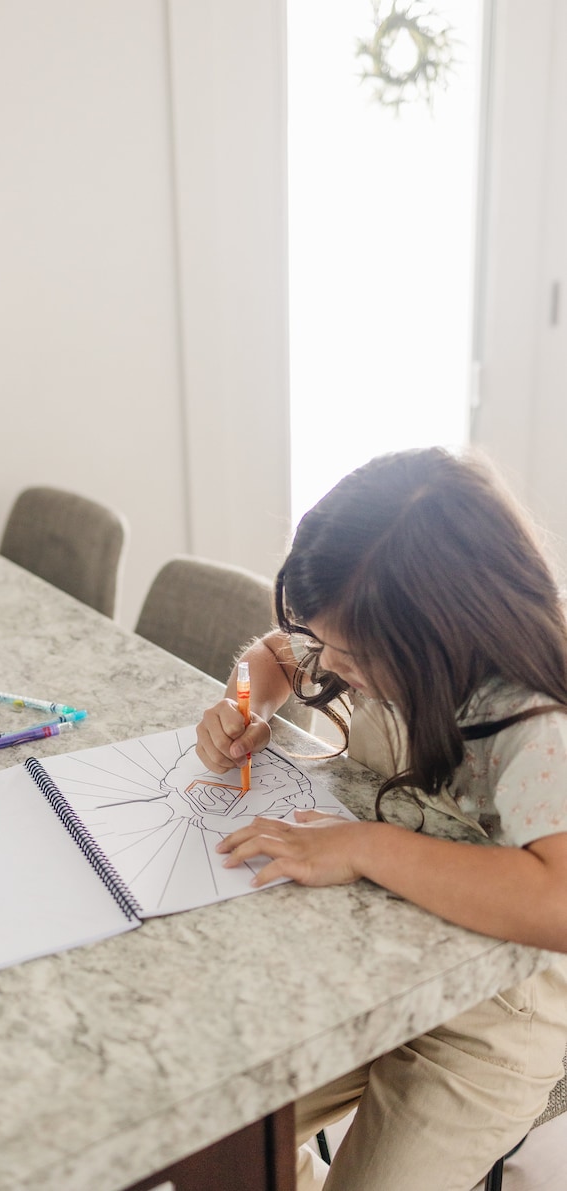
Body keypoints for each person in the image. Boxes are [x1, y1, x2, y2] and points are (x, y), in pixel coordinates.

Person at [195, 447, 567, 1191]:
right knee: (212, 1135)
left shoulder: (532, 722)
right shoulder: (369, 638)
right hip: (360, 973)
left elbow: (557, 900)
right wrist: (247, 703)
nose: (334, 666)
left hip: (484, 1021)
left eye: (354, 655)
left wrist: (366, 846)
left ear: (443, 634)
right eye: (328, 645)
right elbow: (274, 654)